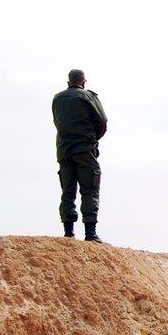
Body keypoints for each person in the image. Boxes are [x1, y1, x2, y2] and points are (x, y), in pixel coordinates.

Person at [52, 69, 108, 242]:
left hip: (63, 149)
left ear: (68, 82)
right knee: (89, 188)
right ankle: (90, 233)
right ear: (83, 82)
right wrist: (91, 139)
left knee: (67, 190)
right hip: (84, 149)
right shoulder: (87, 97)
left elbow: (57, 121)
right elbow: (102, 122)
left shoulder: (57, 98)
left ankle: (68, 233)